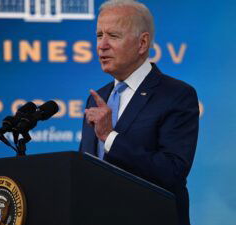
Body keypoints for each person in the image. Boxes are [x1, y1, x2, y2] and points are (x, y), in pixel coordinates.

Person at [79, 0, 199, 225]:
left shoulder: (176, 95)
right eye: (98, 35)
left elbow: (172, 172)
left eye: (113, 36)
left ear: (142, 43)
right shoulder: (98, 98)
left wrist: (110, 137)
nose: (101, 45)